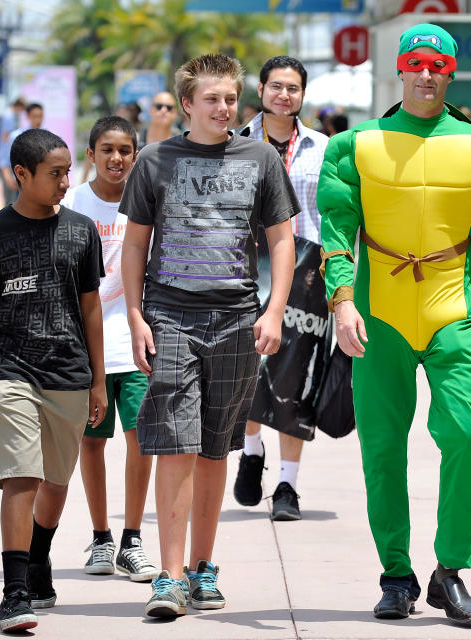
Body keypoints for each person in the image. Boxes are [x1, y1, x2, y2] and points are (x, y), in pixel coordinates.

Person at [318, 23, 471, 624]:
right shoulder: (354, 145)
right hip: (378, 313)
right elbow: (334, 231)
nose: (425, 74)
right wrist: (342, 301)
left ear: (450, 73)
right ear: (398, 71)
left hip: (455, 309)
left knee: (466, 434)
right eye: (415, 63)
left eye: (437, 65)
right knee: (383, 448)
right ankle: (396, 574)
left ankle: (450, 570)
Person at [121, 53, 298, 619]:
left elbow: (280, 239)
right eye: (212, 99)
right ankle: (169, 578)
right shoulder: (155, 160)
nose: (224, 109)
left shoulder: (261, 157)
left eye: (230, 99)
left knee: (215, 445)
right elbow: (134, 243)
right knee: (173, 441)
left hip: (237, 320)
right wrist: (135, 315)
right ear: (188, 104)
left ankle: (202, 568)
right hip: (170, 315)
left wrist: (273, 311)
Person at [0, 128, 106, 633]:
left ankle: (40, 556)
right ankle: (14, 591)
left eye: (67, 172)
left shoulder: (82, 231)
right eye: (55, 174)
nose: (65, 182)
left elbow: (91, 310)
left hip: (68, 375)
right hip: (9, 371)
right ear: (22, 174)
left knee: (56, 482)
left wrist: (98, 381)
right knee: (21, 475)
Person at [61, 116, 160, 583]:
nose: (116, 159)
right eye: (107, 150)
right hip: (84, 350)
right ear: (91, 154)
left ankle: (132, 540)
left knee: (141, 441)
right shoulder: (72, 203)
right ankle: (101, 537)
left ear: (135, 155)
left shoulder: (146, 201)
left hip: (136, 342)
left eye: (124, 150)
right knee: (92, 443)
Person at [234, 55, 330, 521]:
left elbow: (333, 215)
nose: (284, 95)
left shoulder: (323, 147)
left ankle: (288, 485)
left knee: (296, 379)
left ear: (302, 95)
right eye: (276, 86)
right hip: (247, 268)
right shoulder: (236, 144)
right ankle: (251, 451)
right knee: (248, 368)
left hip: (309, 270)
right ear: (261, 89)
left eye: (293, 88)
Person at [0, 103, 45, 205]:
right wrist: (8, 179)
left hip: (40, 185)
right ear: (28, 116)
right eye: (34, 116)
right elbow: (4, 160)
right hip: (18, 185)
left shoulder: (48, 138)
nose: (38, 120)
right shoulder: (16, 136)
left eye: (40, 116)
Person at [0, 97, 26, 201]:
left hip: (7, 158)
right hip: (6, 159)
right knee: (10, 196)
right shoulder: (9, 116)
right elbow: (5, 137)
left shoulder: (9, 114)